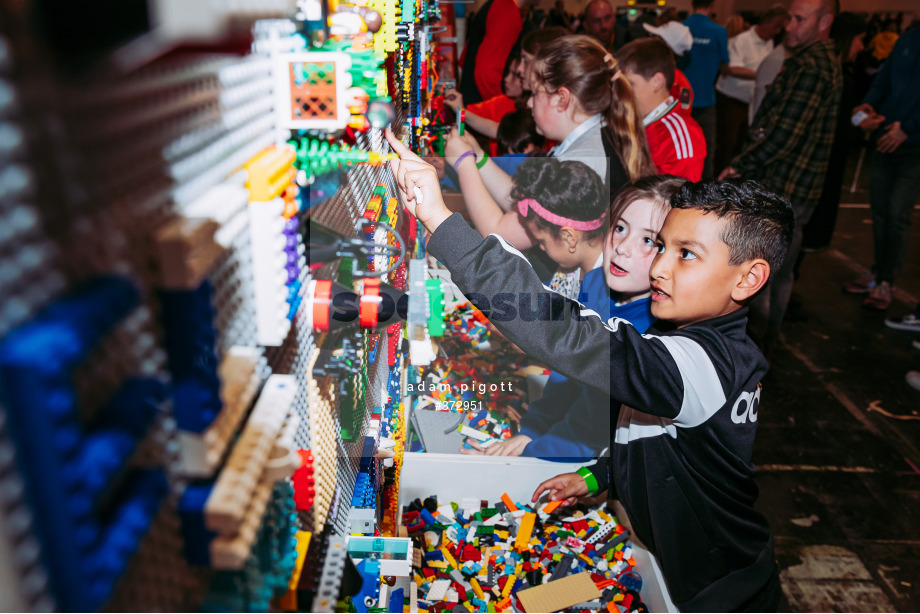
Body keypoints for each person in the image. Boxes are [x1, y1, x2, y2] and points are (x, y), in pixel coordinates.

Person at [383, 129, 794, 612]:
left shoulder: (698, 367)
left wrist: (441, 221)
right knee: (530, 602)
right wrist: (598, 478)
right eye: (662, 247)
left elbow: (565, 333)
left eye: (686, 254)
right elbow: (670, 449)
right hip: (669, 560)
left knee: (532, 604)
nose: (660, 267)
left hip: (715, 589)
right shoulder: (693, 353)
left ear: (749, 279)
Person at [466, 176, 681, 460]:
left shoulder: (650, 334)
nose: (622, 247)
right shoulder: (595, 283)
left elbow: (590, 430)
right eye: (620, 228)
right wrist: (532, 429)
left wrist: (530, 453)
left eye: (647, 240)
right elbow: (566, 366)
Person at [443, 34, 653, 251]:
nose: (530, 103)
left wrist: (463, 163)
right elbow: (526, 204)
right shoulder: (588, 140)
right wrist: (478, 157)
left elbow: (503, 236)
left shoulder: (581, 162)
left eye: (535, 93)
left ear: (562, 99)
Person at [719, 0, 841, 353]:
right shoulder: (814, 61)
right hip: (793, 185)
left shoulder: (812, 66)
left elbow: (782, 134)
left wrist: (739, 164)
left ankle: (757, 348)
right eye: (789, 17)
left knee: (762, 274)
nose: (789, 26)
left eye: (799, 19)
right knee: (775, 272)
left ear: (825, 22)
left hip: (787, 186)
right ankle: (763, 344)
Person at [842, 21, 920, 310]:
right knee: (881, 210)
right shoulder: (907, 38)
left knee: (898, 214)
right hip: (885, 138)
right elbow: (884, 79)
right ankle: (877, 274)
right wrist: (867, 105)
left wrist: (909, 128)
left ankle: (886, 280)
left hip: (913, 147)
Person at [800, 12, 868, 253]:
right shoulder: (830, 73)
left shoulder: (835, 72)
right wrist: (859, 127)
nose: (862, 47)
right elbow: (834, 132)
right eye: (860, 39)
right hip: (813, 174)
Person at [509, 158, 609, 299]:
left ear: (569, 237)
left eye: (542, 241)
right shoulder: (569, 269)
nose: (541, 248)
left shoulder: (604, 293)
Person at [616, 38, 706, 181]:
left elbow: (676, 201)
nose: (621, 92)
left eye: (629, 84)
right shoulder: (634, 119)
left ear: (657, 82)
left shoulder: (679, 136)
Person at [714, 7, 788, 174]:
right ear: (766, 23)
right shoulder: (742, 40)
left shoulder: (770, 43)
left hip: (752, 102)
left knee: (742, 146)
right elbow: (731, 68)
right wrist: (761, 75)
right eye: (776, 26)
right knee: (726, 145)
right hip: (731, 100)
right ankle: (717, 182)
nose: (778, 31)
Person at [680, 0, 730, 179]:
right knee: (706, 152)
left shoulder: (681, 28)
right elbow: (725, 66)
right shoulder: (719, 32)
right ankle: (704, 196)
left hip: (681, 102)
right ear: (713, 5)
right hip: (706, 100)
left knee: (679, 151)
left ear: (692, 3)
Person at [445, 54, 525, 153]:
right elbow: (470, 113)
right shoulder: (502, 101)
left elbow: (500, 131)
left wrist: (461, 111)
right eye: (508, 72)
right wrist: (458, 108)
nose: (506, 79)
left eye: (515, 76)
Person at [457, 0, 525, 105]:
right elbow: (486, 72)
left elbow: (465, 58)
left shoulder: (497, 5)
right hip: (480, 109)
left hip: (472, 105)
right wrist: (504, 109)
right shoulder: (506, 10)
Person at [641, 20, 696, 112]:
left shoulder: (679, 84)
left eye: (654, 37)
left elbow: (682, 115)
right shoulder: (646, 69)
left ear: (666, 46)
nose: (649, 40)